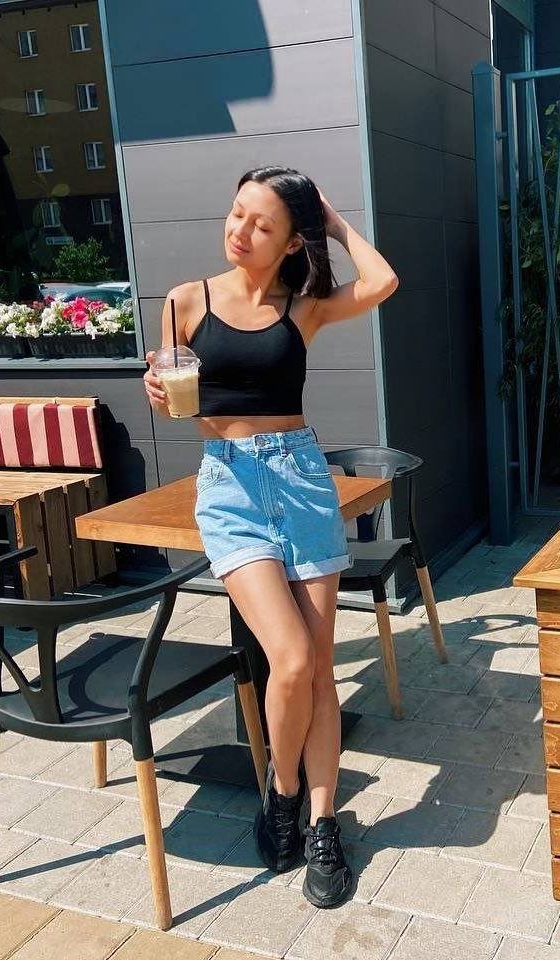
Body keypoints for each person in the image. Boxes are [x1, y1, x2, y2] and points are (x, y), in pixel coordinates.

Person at [142, 166, 398, 908]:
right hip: (229, 485)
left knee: (318, 669)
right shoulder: (185, 300)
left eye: (261, 224)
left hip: (303, 480)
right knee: (289, 658)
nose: (240, 231)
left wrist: (334, 223)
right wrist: (157, 391)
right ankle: (282, 790)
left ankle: (319, 820)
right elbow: (173, 396)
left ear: (290, 242)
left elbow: (382, 281)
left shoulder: (303, 307)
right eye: (237, 214)